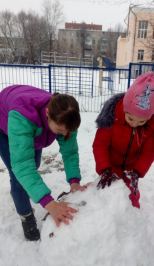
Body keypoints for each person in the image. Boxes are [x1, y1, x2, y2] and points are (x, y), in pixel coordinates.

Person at [0, 85, 88, 241]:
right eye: (60, 129)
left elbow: (69, 152)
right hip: (5, 123)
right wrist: (49, 204)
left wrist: (74, 181)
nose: (65, 134)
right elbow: (22, 165)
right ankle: (26, 216)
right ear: (48, 113)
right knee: (19, 177)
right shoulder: (23, 117)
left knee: (34, 165)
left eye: (68, 130)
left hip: (34, 126)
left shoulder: (67, 117)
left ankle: (29, 189)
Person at [93, 72, 154, 208]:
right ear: (125, 109)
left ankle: (133, 218)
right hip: (110, 164)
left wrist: (137, 172)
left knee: (131, 196)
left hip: (131, 168)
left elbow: (148, 153)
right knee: (107, 195)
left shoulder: (151, 128)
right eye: (130, 119)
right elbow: (99, 145)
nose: (134, 124)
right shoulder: (111, 119)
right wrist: (105, 169)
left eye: (141, 121)